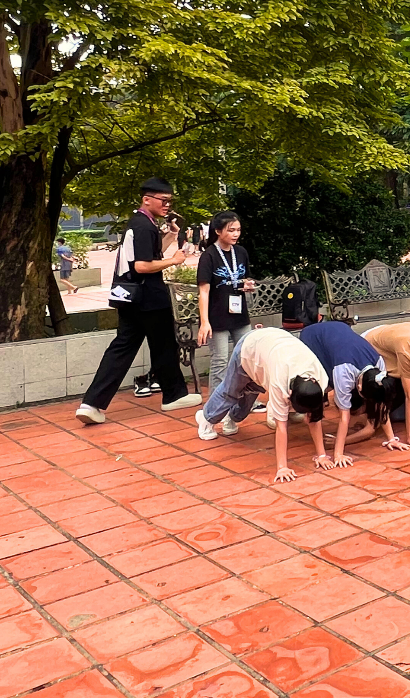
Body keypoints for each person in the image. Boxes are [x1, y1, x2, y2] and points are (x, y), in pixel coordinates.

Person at [77, 178, 201, 424]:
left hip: (129, 297)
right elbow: (143, 265)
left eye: (170, 201)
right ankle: (173, 395)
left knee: (121, 349)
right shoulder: (145, 226)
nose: (167, 206)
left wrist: (170, 237)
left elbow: (147, 255)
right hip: (150, 298)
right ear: (147, 199)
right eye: (163, 200)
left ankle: (91, 403)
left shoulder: (139, 224)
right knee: (165, 346)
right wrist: (174, 261)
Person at [194, 327, 331, 482]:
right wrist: (282, 467)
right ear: (290, 394)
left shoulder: (320, 379)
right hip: (250, 347)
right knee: (230, 391)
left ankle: (232, 417)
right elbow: (281, 427)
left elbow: (315, 418)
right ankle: (205, 419)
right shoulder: (280, 382)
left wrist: (322, 455)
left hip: (269, 352)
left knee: (251, 392)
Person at [299, 319, 400, 466]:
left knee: (330, 381)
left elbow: (381, 401)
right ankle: (290, 407)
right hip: (312, 337)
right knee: (319, 384)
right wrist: (338, 453)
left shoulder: (379, 365)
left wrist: (392, 438)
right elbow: (343, 417)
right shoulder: (343, 371)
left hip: (339, 329)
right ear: (358, 388)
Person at [196, 212, 254, 393]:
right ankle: (216, 404)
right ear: (218, 231)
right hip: (217, 316)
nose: (236, 234)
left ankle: (246, 400)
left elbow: (244, 277)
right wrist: (205, 322)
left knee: (247, 356)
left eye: (238, 230)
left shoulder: (241, 252)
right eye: (231, 230)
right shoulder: (209, 256)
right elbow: (203, 291)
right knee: (220, 360)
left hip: (239, 313)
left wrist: (248, 284)